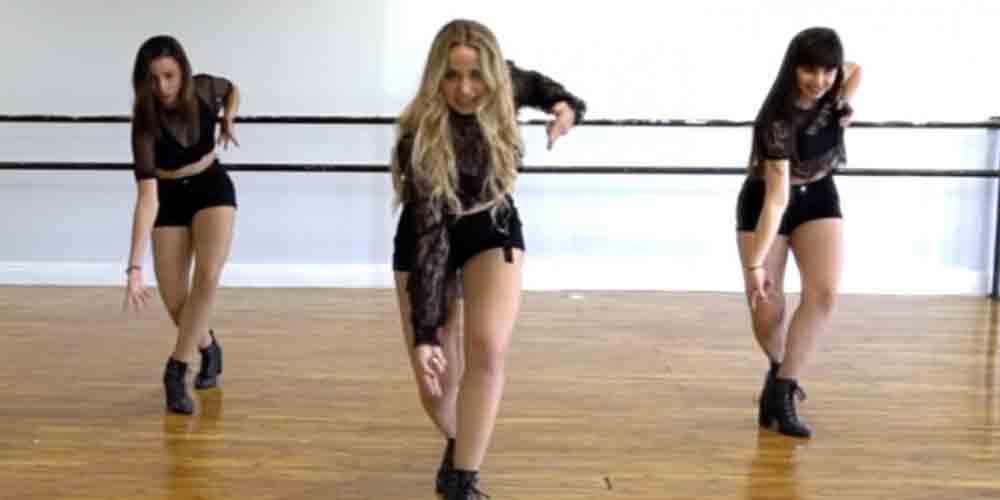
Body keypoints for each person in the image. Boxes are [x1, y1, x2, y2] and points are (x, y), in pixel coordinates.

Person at [390, 19, 586, 498]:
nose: (465, 89)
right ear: (436, 77)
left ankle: (464, 480)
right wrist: (425, 334)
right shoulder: (419, 134)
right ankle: (459, 441)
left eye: (476, 75)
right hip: (427, 237)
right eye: (451, 76)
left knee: (490, 348)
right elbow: (430, 240)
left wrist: (564, 107)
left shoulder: (506, 86)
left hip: (491, 224)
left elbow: (538, 86)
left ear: (493, 75)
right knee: (436, 385)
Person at [736, 26, 861, 438]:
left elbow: (855, 68)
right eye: (809, 69)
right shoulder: (776, 120)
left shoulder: (834, 90)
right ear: (792, 67)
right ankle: (778, 367)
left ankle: (783, 391)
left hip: (819, 195)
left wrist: (844, 97)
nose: (819, 80)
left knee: (824, 294)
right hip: (767, 201)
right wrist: (754, 264)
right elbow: (776, 200)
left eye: (827, 71)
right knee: (767, 308)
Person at [123, 35, 241, 415]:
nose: (163, 87)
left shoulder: (204, 89)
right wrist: (134, 267)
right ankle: (209, 348)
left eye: (169, 76)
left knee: (207, 274)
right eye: (153, 79)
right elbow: (147, 198)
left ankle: (176, 369)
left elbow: (232, 89)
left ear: (183, 72)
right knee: (175, 299)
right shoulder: (144, 124)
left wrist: (228, 116)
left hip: (211, 187)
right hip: (169, 196)